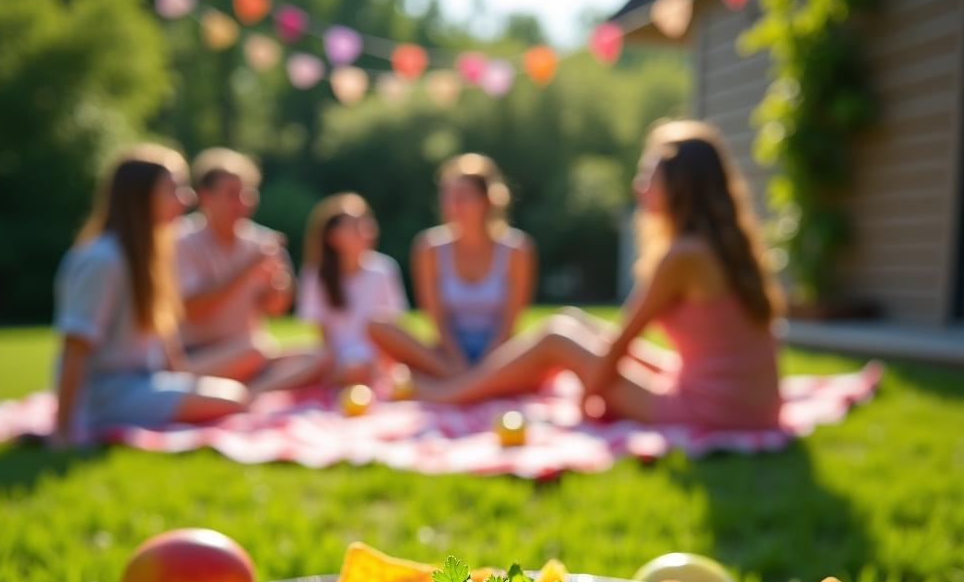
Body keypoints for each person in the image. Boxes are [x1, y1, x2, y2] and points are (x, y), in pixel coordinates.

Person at [415, 122, 784, 432]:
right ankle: (469, 383)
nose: (639, 187)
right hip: (753, 406)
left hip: (717, 412)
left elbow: (622, 341)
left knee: (558, 335)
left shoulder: (682, 256)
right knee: (575, 321)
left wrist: (589, 394)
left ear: (680, 185)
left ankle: (448, 393)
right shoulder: (720, 245)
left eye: (648, 177)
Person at [53, 145, 249, 444]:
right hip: (106, 393)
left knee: (236, 387)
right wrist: (64, 432)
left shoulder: (151, 254)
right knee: (232, 397)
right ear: (141, 195)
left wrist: (183, 378)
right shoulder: (103, 259)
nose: (186, 199)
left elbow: (167, 344)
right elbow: (75, 347)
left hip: (143, 381)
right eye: (173, 188)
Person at [370, 153, 536, 377]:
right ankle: (469, 382)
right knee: (379, 325)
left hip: (501, 354)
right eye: (448, 195)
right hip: (448, 355)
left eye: (463, 196)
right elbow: (437, 321)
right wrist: (459, 363)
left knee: (559, 333)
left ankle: (460, 385)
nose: (453, 204)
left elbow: (509, 325)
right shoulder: (428, 248)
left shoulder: (518, 249)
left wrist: (487, 366)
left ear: (487, 200)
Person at [256, 193, 407, 389]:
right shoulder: (315, 275)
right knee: (282, 356)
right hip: (331, 358)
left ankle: (263, 389)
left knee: (345, 367)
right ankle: (258, 389)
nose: (367, 231)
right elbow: (322, 336)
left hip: (371, 361)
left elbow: (393, 327)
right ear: (334, 237)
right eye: (356, 226)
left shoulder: (384, 269)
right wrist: (335, 361)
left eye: (367, 223)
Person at [175, 148, 296, 381]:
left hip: (250, 351)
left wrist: (278, 286)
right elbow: (193, 310)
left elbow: (276, 310)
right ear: (205, 197)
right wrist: (247, 269)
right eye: (232, 194)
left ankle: (251, 392)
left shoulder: (263, 241)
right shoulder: (181, 239)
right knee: (256, 351)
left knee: (318, 355)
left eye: (247, 194)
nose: (242, 203)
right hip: (198, 354)